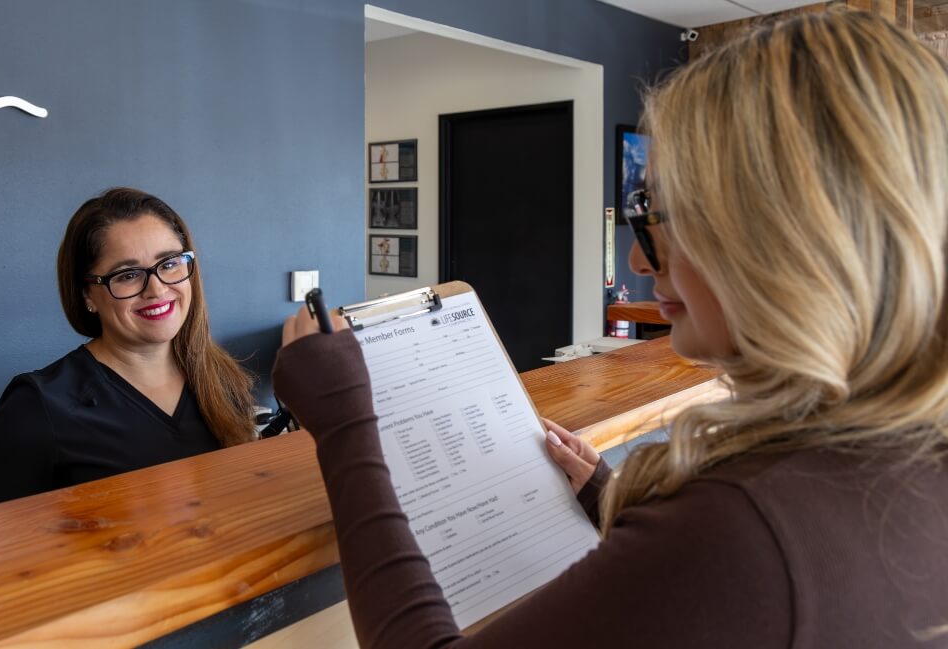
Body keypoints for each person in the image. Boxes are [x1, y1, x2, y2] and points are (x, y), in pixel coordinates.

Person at [272, 10, 948, 648]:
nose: (634, 258)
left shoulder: (745, 529)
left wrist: (346, 422)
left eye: (659, 223)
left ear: (772, 236)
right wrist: (610, 500)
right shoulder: (901, 464)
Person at [0, 188, 257, 509]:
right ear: (88, 295)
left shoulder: (221, 377)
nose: (156, 289)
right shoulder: (39, 405)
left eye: (169, 264)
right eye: (127, 275)